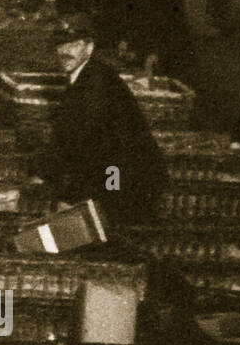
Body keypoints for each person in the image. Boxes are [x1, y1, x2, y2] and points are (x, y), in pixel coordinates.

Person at [30, 15, 167, 224]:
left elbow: (81, 137)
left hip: (124, 179)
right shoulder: (85, 75)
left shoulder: (96, 83)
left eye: (74, 45)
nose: (65, 51)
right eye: (60, 45)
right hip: (113, 171)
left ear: (89, 47)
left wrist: (47, 177)